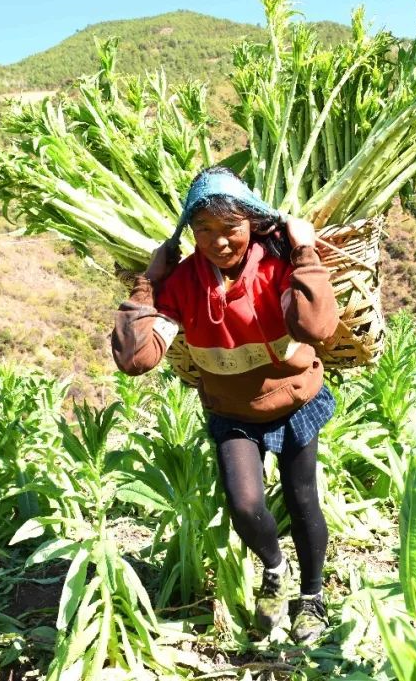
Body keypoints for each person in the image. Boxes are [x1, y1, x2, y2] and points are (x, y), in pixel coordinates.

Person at [111, 165, 338, 645]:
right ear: (191, 234)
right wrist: (149, 281)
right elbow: (137, 359)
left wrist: (304, 248)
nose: (219, 241)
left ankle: (313, 598)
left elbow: (317, 328)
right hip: (233, 412)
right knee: (244, 503)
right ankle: (276, 572)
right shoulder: (184, 284)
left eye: (230, 228)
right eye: (204, 231)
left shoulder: (276, 267)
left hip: (296, 399)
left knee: (302, 501)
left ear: (251, 223)